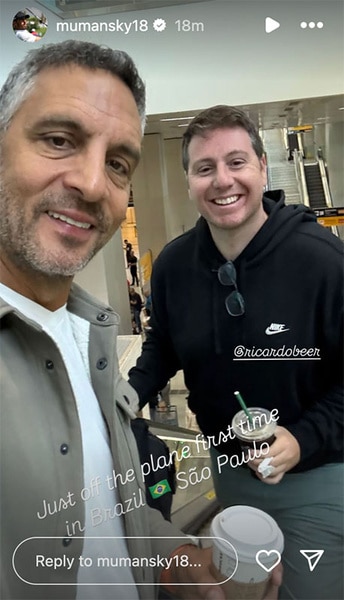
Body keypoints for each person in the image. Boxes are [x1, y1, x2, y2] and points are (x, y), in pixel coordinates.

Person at [0, 42, 287, 600]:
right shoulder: (177, 263)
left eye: (118, 163)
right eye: (59, 140)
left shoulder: (89, 338)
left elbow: (110, 515)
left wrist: (174, 561)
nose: (90, 182)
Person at [129, 105, 344, 600]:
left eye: (237, 162)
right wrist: (128, 393)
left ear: (263, 168)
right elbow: (164, 343)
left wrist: (302, 438)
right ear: (188, 181)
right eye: (205, 168)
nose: (222, 180)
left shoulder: (322, 262)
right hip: (230, 474)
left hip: (319, 477)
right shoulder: (176, 264)